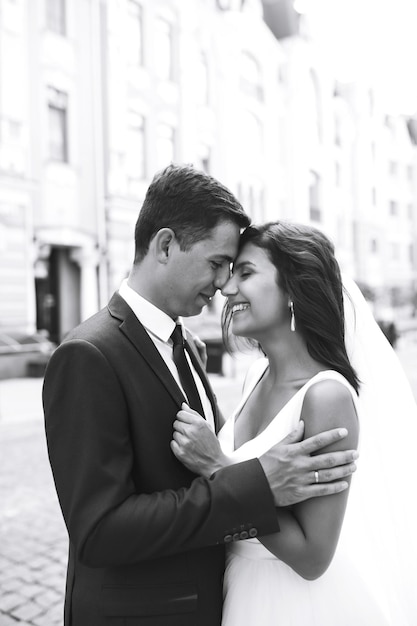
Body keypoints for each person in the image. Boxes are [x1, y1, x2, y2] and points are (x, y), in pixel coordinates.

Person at [43, 166, 358, 626]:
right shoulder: (88, 354)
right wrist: (252, 485)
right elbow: (99, 531)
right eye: (217, 264)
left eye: (236, 269)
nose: (223, 285)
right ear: (166, 245)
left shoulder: (187, 346)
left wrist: (229, 473)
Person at [172, 220, 417, 625]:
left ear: (293, 290)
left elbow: (312, 556)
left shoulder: (326, 397)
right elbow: (248, 460)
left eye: (246, 274)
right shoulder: (256, 376)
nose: (228, 289)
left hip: (295, 603)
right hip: (238, 589)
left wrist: (218, 469)